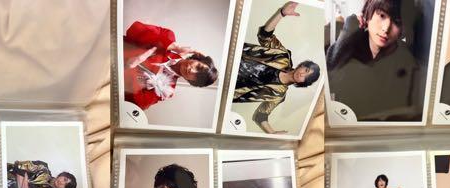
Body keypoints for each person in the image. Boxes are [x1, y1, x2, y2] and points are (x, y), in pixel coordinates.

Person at [233, 2, 322, 134]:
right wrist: (281, 13)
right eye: (306, 70)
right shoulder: (283, 55)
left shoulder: (278, 95)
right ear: (302, 66)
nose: (302, 75)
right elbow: (264, 35)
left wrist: (272, 133)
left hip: (227, 86)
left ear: (303, 83)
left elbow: (260, 116)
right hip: (231, 56)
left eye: (306, 78)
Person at [326, 0, 421, 122]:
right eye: (382, 15)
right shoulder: (352, 41)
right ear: (367, 13)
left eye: (397, 22)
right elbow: (330, 79)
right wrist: (348, 29)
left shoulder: (406, 61)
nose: (386, 28)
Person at [123, 21, 219, 111]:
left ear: (192, 81)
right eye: (198, 67)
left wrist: (130, 68)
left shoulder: (167, 90)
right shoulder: (168, 37)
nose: (192, 70)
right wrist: (174, 47)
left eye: (197, 76)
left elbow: (137, 105)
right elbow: (134, 29)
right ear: (197, 59)